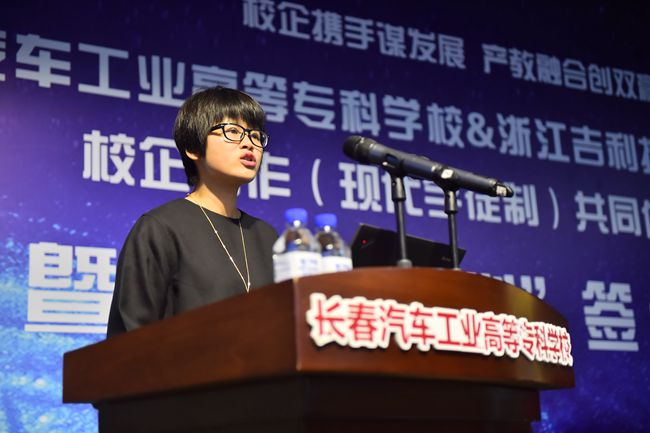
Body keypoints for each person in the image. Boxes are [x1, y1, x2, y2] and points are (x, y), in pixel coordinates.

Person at [106, 87, 278, 337]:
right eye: (233, 131)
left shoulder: (268, 236)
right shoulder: (160, 228)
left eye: (255, 135)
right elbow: (129, 336)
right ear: (193, 148)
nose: (249, 143)